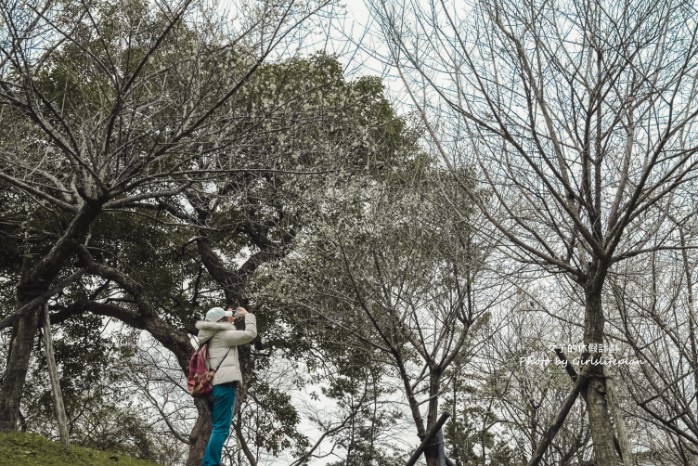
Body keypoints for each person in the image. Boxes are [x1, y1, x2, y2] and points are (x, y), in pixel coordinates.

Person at [196, 305, 257, 466]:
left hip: (212, 388)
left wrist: (231, 317)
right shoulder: (222, 335)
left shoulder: (209, 336)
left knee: (218, 426)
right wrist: (248, 316)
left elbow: (227, 332)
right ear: (220, 321)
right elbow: (250, 334)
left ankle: (210, 462)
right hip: (224, 386)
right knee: (221, 428)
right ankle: (210, 463)